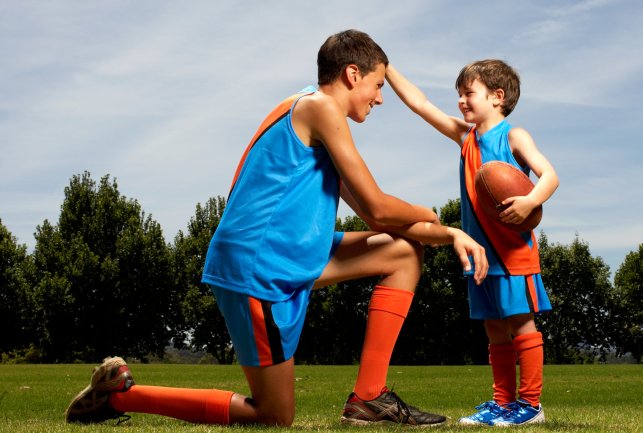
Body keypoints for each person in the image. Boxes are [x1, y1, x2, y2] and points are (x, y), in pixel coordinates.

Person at [64, 29, 488, 427]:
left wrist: (449, 233)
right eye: (378, 86)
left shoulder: (314, 114)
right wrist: (429, 214)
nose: (380, 98)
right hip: (257, 268)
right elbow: (378, 208)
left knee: (403, 251)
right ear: (352, 74)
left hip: (291, 255)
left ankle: (368, 399)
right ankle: (119, 396)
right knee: (273, 414)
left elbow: (378, 216)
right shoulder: (319, 107)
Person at [386, 59, 559, 426]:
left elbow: (549, 175)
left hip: (513, 254)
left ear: (497, 97)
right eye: (459, 95)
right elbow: (420, 104)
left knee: (521, 324)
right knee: (494, 329)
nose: (461, 101)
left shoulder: (514, 136)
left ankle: (531, 405)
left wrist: (530, 201)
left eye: (468, 93)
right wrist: (386, 69)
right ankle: (503, 403)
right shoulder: (465, 137)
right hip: (480, 257)